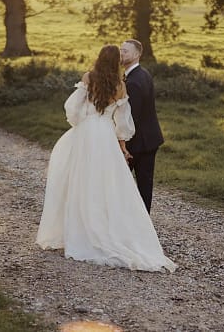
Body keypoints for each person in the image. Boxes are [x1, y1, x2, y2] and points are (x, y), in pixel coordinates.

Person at [36, 44, 176, 273]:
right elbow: (123, 122)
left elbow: (72, 108)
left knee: (80, 180)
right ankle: (108, 229)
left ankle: (79, 230)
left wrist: (81, 123)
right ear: (116, 62)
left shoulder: (88, 78)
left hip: (85, 133)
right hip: (105, 135)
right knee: (107, 183)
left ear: (99, 58)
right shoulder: (120, 86)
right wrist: (122, 146)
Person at [120, 39, 163, 214]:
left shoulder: (134, 82)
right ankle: (142, 220)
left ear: (137, 54)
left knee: (118, 180)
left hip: (138, 143)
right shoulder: (142, 73)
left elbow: (132, 119)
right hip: (150, 139)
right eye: (121, 50)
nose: (121, 54)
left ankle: (132, 219)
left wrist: (124, 147)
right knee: (145, 184)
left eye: (126, 51)